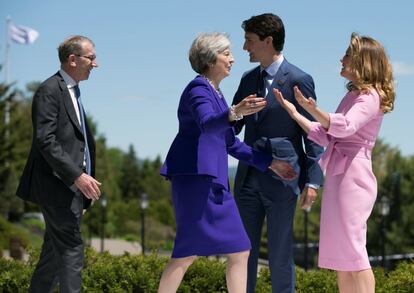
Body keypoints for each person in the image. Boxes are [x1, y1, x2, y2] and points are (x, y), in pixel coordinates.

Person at [158, 32, 297, 293]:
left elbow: (231, 143)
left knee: (239, 249)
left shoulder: (216, 93)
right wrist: (234, 112)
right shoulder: (197, 88)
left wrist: (270, 163)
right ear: (210, 59)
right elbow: (208, 124)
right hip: (195, 181)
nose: (233, 59)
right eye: (226, 54)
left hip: (215, 183)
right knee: (187, 252)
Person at [274, 32, 395, 293]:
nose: (342, 59)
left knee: (353, 248)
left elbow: (346, 126)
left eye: (348, 55)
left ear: (363, 61)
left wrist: (314, 109)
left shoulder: (370, 97)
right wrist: (296, 112)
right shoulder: (352, 96)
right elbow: (328, 134)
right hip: (341, 175)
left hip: (354, 176)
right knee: (343, 254)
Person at [231, 13, 324, 292]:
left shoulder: (299, 79)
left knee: (280, 257)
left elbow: (313, 133)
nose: (245, 47)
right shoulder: (248, 79)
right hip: (247, 180)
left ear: (268, 41)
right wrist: (233, 114)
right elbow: (233, 127)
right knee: (241, 254)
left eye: (249, 41)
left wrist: (312, 180)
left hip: (284, 180)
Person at [16, 35, 101, 293]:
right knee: (72, 249)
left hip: (71, 190)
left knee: (52, 256)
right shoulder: (50, 90)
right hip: (56, 186)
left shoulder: (73, 91)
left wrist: (82, 191)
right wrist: (77, 176)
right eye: (91, 58)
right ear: (72, 59)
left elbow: (79, 143)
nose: (95, 64)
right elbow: (46, 140)